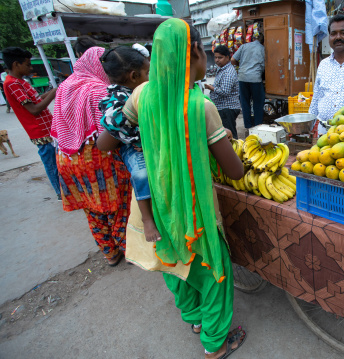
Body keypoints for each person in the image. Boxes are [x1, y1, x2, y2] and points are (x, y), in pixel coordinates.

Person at [122, 18, 246, 359]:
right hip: (194, 209)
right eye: (204, 51)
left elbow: (108, 138)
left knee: (176, 264)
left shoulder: (141, 94)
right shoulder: (200, 107)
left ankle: (193, 319)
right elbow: (235, 172)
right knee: (212, 270)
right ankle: (215, 343)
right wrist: (228, 145)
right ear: (194, 54)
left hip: (159, 205)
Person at [51, 47, 132, 266]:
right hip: (97, 158)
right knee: (118, 206)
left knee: (92, 208)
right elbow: (110, 133)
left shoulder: (65, 86)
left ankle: (110, 253)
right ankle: (127, 248)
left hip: (67, 157)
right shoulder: (98, 89)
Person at [95, 45, 161, 242]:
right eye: (148, 72)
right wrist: (141, 138)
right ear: (134, 76)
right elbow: (116, 125)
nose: (152, 75)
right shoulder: (118, 98)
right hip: (131, 146)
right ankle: (147, 219)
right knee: (141, 174)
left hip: (144, 142)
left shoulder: (143, 92)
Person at [1, 47, 60, 199]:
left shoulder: (20, 82)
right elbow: (34, 109)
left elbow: (37, 99)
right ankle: (61, 193)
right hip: (40, 132)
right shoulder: (12, 84)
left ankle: (64, 192)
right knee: (52, 165)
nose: (31, 68)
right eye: (27, 64)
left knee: (57, 164)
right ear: (16, 64)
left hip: (47, 129)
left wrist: (55, 90)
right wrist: (53, 93)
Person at [205, 45, 241, 139]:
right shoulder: (221, 69)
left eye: (220, 57)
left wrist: (211, 87)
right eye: (215, 57)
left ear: (227, 57)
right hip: (223, 108)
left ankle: (235, 152)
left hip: (227, 108)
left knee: (230, 135)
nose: (217, 60)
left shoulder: (228, 72)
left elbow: (225, 91)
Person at [231, 33, 265, 130]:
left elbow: (233, 59)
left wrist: (240, 65)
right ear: (263, 41)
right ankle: (258, 126)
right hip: (255, 78)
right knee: (258, 103)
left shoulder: (244, 46)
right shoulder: (262, 49)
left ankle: (248, 126)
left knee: (245, 103)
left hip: (242, 77)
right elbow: (264, 65)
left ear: (253, 39)